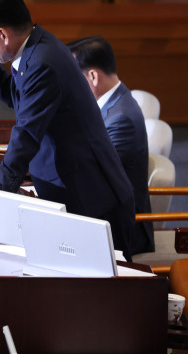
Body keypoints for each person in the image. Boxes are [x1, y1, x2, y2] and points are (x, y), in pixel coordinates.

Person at [0, 0, 137, 260]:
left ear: (3, 35)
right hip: (78, 188)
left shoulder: (43, 62)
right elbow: (22, 101)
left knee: (103, 294)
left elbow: (26, 134)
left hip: (91, 197)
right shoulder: (35, 48)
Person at [67, 35, 154, 254]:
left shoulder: (121, 118)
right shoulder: (113, 102)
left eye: (73, 78)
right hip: (109, 210)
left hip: (123, 228)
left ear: (93, 76)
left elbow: (93, 174)